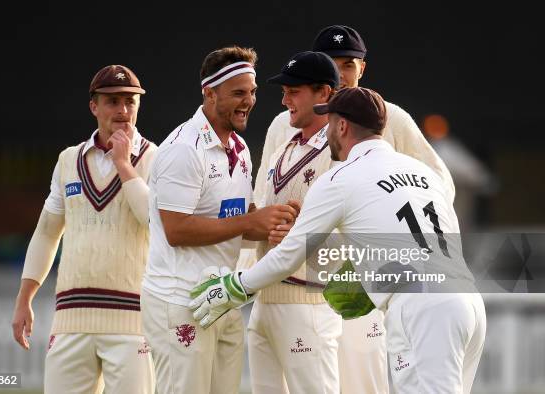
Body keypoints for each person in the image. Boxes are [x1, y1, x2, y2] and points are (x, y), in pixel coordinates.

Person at [191, 87, 487, 394]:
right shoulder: (423, 172)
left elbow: (288, 257)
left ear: (342, 126)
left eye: (329, 122)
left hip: (422, 307)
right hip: (467, 300)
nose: (327, 131)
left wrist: (236, 286)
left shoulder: (339, 178)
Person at [239, 24, 457, 394]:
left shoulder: (389, 118)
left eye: (349, 65)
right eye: (332, 64)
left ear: (362, 69)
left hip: (358, 282)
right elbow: (264, 196)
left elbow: (440, 186)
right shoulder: (284, 123)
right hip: (294, 286)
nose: (341, 73)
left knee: (364, 383)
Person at [141, 46, 299, 394]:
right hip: (179, 300)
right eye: (238, 93)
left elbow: (229, 222)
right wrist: (249, 224)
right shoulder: (183, 149)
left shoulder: (240, 149)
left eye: (253, 92)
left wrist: (270, 223)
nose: (249, 101)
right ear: (209, 92)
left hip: (220, 296)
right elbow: (176, 230)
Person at [11, 64, 157, 394]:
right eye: (112, 101)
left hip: (133, 321)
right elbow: (47, 233)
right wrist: (24, 299)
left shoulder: (155, 158)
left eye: (130, 101)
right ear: (94, 106)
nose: (122, 111)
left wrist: (123, 164)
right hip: (71, 320)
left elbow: (153, 221)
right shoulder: (68, 160)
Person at [245, 50, 342, 394]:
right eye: (283, 90)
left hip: (309, 302)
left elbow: (360, 238)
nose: (285, 99)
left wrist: (305, 233)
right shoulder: (281, 147)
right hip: (264, 304)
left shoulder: (342, 153)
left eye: (294, 90)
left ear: (325, 93)